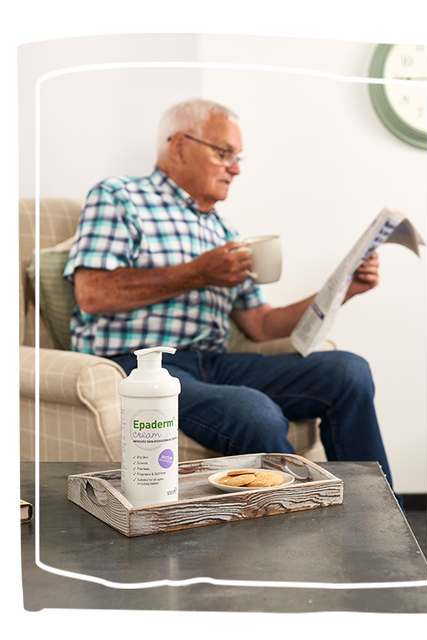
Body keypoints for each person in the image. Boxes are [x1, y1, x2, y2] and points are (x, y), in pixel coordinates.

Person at [64, 98, 402, 506]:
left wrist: (341, 292)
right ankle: (300, 542)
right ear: (178, 146)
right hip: (142, 368)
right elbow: (92, 292)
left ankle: (380, 518)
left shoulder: (223, 231)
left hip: (216, 363)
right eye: (224, 153)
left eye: (238, 157)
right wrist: (198, 272)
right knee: (253, 410)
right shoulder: (120, 197)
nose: (236, 168)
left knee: (348, 370)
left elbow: (261, 323)